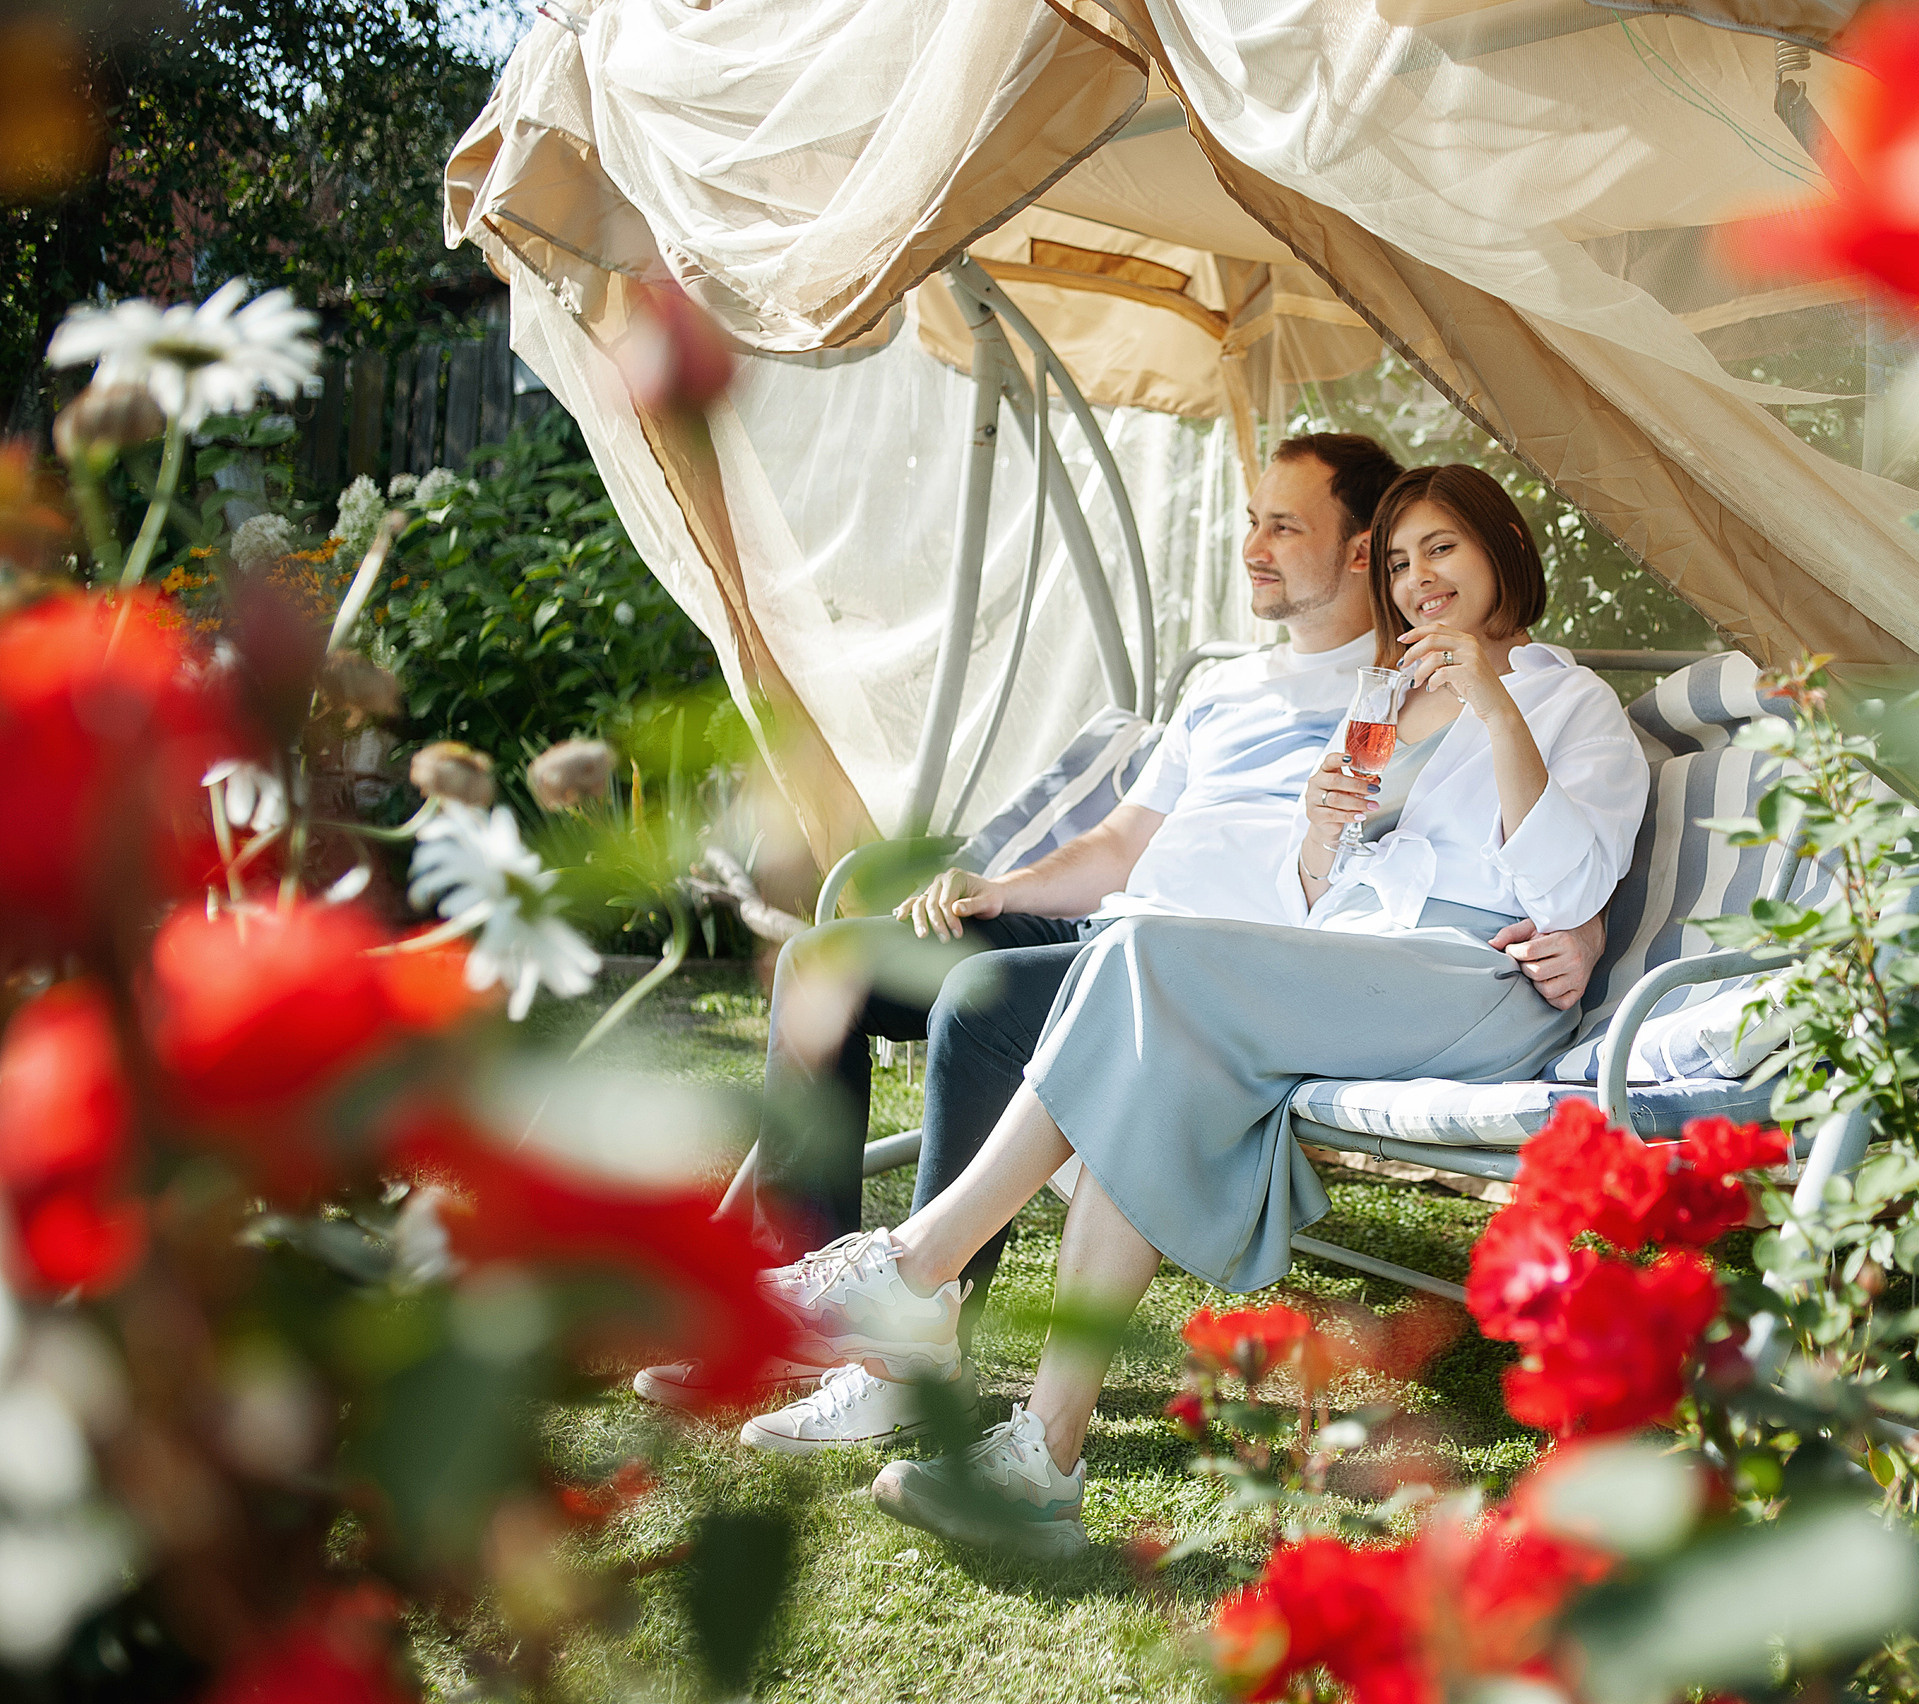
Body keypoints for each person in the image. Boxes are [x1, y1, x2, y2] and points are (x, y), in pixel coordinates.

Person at [632, 439, 1613, 1428]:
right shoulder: (1254, 691)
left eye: (1285, 526)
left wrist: (1583, 924)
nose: (1255, 548)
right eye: (1252, 522)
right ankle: (801, 1315)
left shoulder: (1430, 688)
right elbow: (1128, 841)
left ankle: (909, 1338)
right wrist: (1003, 887)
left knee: (986, 1002)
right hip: (1133, 928)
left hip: (1218, 955)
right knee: (825, 965)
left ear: (1356, 551)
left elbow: (1509, 869)